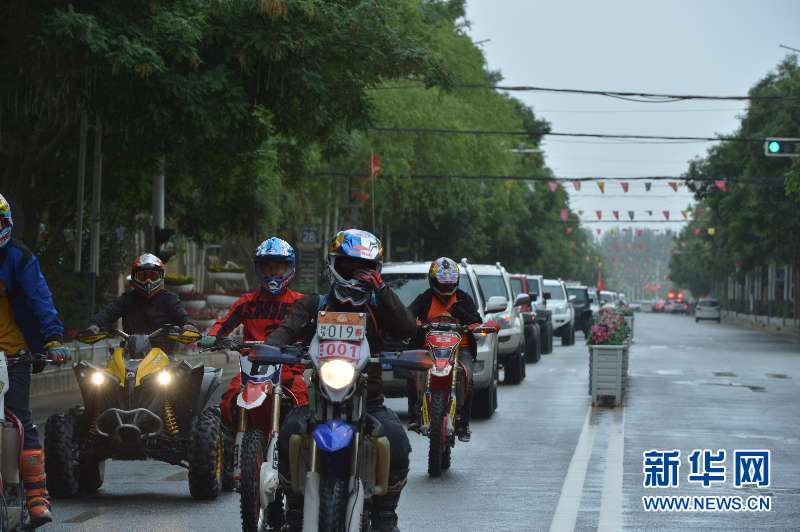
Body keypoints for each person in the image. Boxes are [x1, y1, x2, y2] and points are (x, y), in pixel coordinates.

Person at [267, 229, 416, 532]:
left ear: (377, 270)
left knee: (397, 442)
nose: (357, 274)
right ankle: (294, 510)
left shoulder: (378, 306)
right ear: (334, 264)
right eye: (349, 266)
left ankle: (386, 514)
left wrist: (383, 290)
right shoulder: (313, 305)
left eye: (367, 268)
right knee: (288, 434)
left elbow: (407, 328)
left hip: (368, 401)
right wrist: (269, 348)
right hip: (317, 400)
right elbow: (286, 329)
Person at [0, 193, 70, 527]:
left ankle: (37, 497)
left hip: (12, 356)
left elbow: (40, 299)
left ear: (7, 226)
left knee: (21, 421)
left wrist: (53, 339)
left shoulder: (18, 259)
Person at [407, 257, 481, 442]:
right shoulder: (425, 298)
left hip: (460, 349)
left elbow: (476, 320)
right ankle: (415, 416)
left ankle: (463, 423)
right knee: (412, 374)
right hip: (428, 349)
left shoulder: (463, 298)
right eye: (442, 283)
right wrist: (414, 323)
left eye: (450, 283)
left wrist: (461, 314)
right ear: (433, 281)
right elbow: (408, 314)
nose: (447, 288)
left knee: (468, 377)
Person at [87, 253, 197, 347]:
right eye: (143, 277)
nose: (148, 281)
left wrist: (187, 325)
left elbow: (182, 315)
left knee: (182, 370)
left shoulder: (169, 299)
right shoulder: (127, 299)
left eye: (153, 277)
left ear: (161, 277)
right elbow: (108, 312)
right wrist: (95, 325)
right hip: (130, 352)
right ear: (135, 278)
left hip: (164, 354)